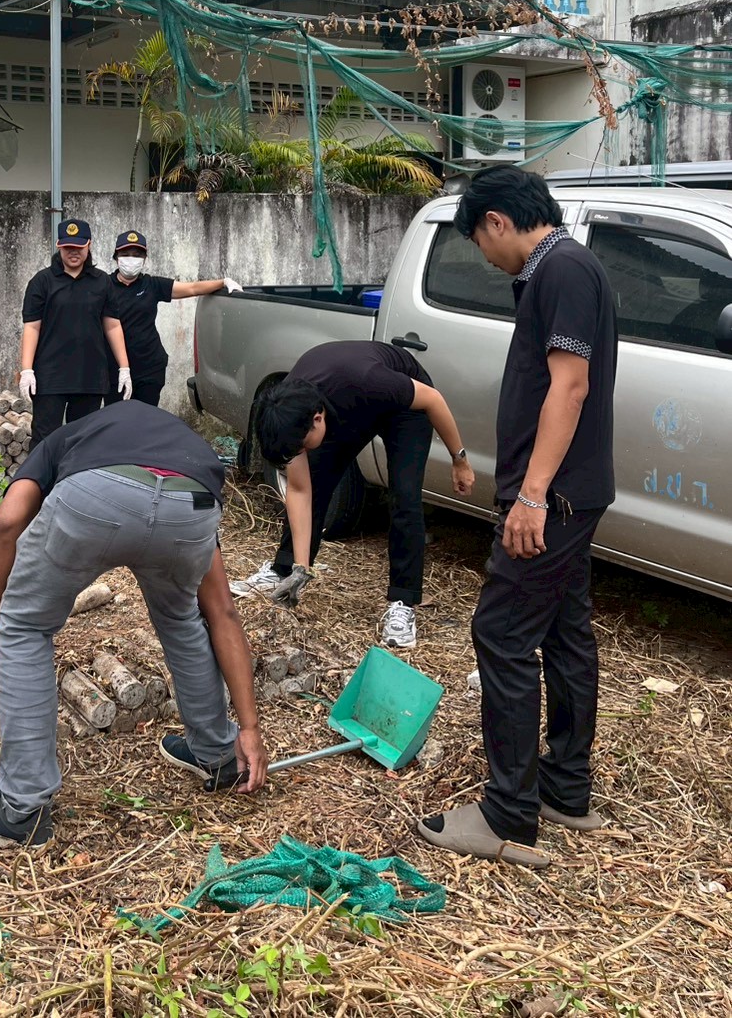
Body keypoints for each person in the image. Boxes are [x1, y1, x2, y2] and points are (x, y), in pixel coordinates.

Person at [0, 401, 268, 847]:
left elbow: (7, 522)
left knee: (25, 628)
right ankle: (217, 755)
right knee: (182, 618)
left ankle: (20, 810)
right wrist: (249, 729)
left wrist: (5, 611)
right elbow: (223, 612)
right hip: (191, 504)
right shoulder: (180, 450)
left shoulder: (65, 438)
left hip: (96, 496)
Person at [418, 166, 617, 869]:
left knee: (500, 632)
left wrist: (531, 493)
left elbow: (570, 384)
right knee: (564, 631)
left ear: (498, 220)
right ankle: (565, 788)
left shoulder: (561, 269)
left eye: (480, 240)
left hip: (553, 498)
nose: (485, 254)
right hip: (572, 492)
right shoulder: (565, 269)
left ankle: (508, 814)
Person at [238, 341, 475, 648]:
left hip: (406, 406)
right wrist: (300, 567)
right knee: (318, 480)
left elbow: (433, 399)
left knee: (404, 497)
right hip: (346, 402)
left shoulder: (366, 379)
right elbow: (299, 490)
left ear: (318, 419)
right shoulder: (290, 412)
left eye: (302, 446)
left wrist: (460, 459)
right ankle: (283, 569)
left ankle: (402, 603)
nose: (300, 453)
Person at [20, 219, 132, 445]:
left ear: (88, 245)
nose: (74, 252)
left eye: (79, 247)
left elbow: (112, 324)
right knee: (45, 441)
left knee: (82, 441)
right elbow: (32, 326)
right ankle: (42, 481)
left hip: (89, 377)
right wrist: (26, 370)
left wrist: (124, 367)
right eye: (68, 247)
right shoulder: (42, 281)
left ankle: (74, 481)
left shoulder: (101, 282)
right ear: (59, 246)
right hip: (50, 377)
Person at [104, 229, 243, 407]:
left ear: (145, 259)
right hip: (114, 369)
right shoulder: (105, 286)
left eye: (137, 254)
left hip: (149, 367)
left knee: (146, 420)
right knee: (116, 422)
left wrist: (223, 282)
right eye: (125, 254)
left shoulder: (152, 285)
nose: (131, 259)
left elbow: (192, 288)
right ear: (116, 257)